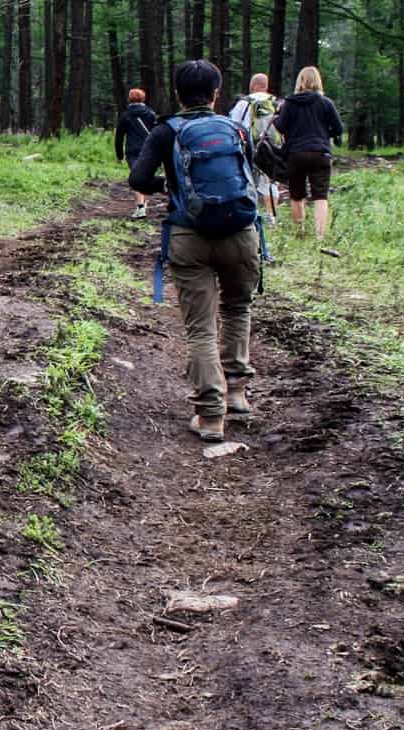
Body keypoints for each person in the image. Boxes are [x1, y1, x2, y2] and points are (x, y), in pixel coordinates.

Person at [129, 60, 264, 443]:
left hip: (189, 235)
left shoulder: (167, 130)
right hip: (241, 233)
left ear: (177, 94)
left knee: (200, 327)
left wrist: (171, 187)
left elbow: (137, 179)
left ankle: (210, 416)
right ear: (216, 92)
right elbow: (253, 173)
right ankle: (237, 393)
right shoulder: (236, 129)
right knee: (238, 308)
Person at [272, 65, 344, 243]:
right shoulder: (325, 103)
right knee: (320, 196)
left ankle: (300, 232)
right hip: (320, 153)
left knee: (297, 195)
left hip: (295, 154)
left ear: (300, 82)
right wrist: (327, 133)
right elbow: (339, 128)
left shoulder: (289, 103)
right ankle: (320, 237)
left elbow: (279, 126)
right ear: (318, 81)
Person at [228, 73, 280, 223]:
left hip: (248, 148)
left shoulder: (244, 103)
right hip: (270, 149)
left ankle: (252, 217)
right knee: (270, 182)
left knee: (248, 181)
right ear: (266, 85)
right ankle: (271, 218)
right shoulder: (275, 103)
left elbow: (233, 125)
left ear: (252, 86)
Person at [114, 87, 158, 219]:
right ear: (143, 98)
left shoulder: (125, 116)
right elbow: (157, 133)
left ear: (130, 99)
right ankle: (143, 205)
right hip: (149, 150)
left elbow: (119, 137)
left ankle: (140, 207)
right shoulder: (151, 113)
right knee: (145, 177)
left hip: (132, 151)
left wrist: (119, 155)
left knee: (137, 177)